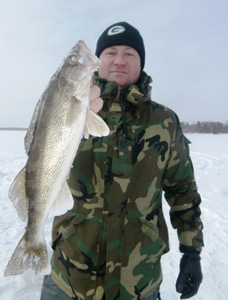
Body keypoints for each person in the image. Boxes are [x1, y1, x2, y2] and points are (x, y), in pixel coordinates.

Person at [40, 22, 204, 300]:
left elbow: (182, 190)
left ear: (141, 62)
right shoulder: (72, 109)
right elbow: (41, 162)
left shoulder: (164, 122)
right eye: (110, 52)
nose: (119, 60)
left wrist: (192, 251)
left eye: (130, 53)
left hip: (139, 283)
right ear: (97, 61)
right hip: (69, 276)